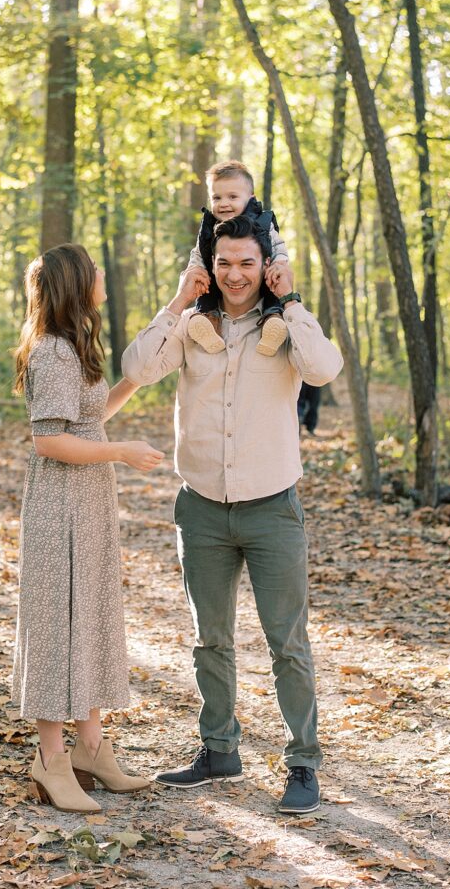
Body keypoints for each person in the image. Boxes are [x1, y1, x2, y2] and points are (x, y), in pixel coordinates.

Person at [122, 215, 343, 814]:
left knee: (287, 643)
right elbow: (137, 368)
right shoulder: (194, 326)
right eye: (225, 263)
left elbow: (324, 369)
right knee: (209, 639)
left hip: (273, 508)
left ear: (264, 265)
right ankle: (218, 749)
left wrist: (291, 298)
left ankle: (303, 764)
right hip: (201, 510)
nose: (236, 274)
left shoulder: (287, 325)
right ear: (209, 265)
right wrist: (177, 299)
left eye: (247, 262)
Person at [12, 244, 164, 814]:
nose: (104, 275)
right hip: (59, 508)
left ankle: (91, 750)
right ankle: (51, 760)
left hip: (90, 503)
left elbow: (89, 418)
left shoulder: (76, 345)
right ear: (78, 284)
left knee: (92, 616)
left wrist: (134, 383)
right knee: (58, 626)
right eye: (96, 270)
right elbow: (48, 439)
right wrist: (121, 452)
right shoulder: (51, 351)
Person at [187, 160, 290, 357]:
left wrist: (279, 264)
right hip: (217, 282)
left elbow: (278, 246)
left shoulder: (262, 222)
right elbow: (199, 251)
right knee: (206, 288)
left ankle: (272, 322)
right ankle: (208, 323)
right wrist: (194, 269)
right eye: (217, 198)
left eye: (232, 197)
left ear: (251, 198)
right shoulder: (210, 225)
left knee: (272, 287)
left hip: (260, 282)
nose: (224, 203)